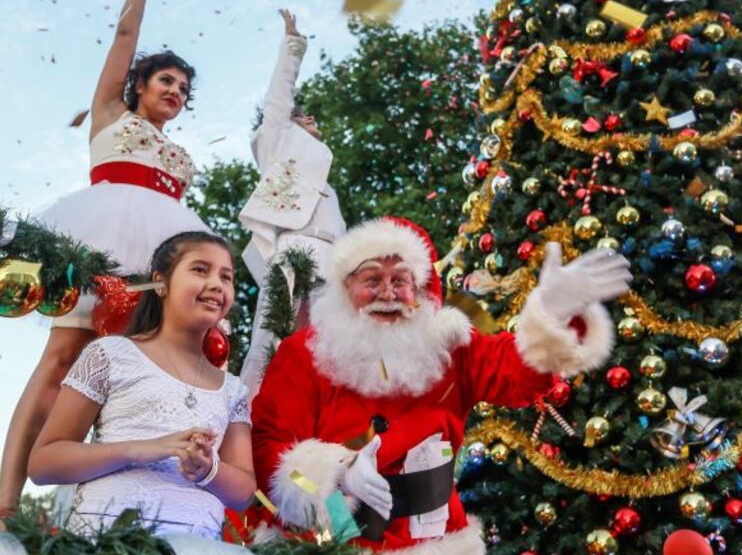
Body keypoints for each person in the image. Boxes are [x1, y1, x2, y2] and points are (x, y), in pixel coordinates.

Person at [0, 0, 212, 530]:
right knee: (61, 359)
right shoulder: (111, 114)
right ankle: (4, 501)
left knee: (129, 380)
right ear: (139, 85)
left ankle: (87, 511)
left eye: (183, 89)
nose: (175, 93)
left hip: (161, 261)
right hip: (99, 242)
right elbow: (124, 41)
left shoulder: (182, 160)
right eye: (166, 80)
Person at [251, 217, 631, 553]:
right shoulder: (303, 353)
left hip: (437, 543)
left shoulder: (451, 347)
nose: (387, 293)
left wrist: (552, 315)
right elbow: (269, 448)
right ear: (346, 287)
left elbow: (518, 373)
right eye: (371, 280)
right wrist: (336, 473)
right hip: (334, 543)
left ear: (419, 288)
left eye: (400, 280)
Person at [28, 231, 256, 540]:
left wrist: (208, 470)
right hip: (105, 542)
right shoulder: (109, 354)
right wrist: (143, 449)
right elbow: (43, 464)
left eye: (226, 277)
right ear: (161, 282)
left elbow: (243, 494)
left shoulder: (232, 390)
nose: (217, 284)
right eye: (200, 270)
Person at [237, 9, 346, 401]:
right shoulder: (276, 143)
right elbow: (278, 98)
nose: (312, 118)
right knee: (270, 341)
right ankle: (247, 416)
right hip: (294, 249)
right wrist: (293, 46)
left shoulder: (326, 182)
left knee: (331, 350)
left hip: (334, 262)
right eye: (304, 116)